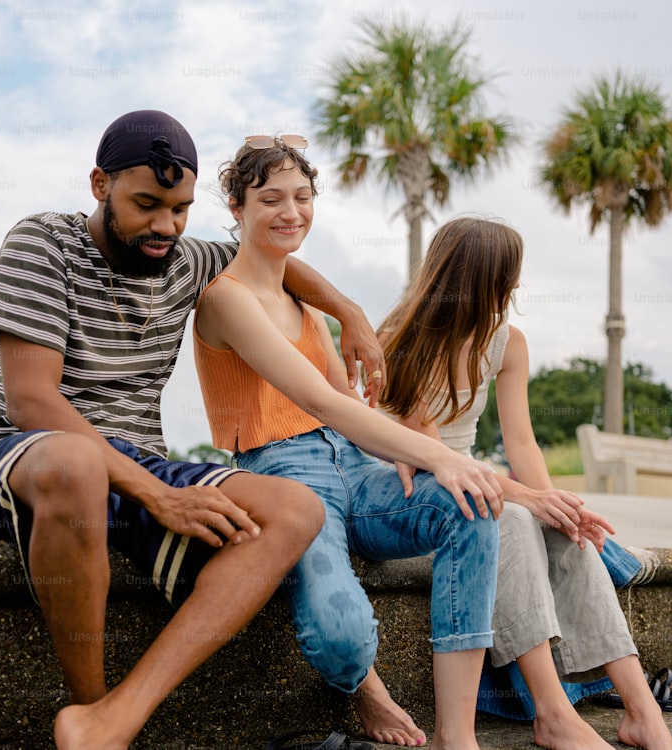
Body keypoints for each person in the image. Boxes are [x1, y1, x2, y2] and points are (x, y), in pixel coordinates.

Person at [0, 110, 388, 750]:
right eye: (147, 205)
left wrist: (349, 311)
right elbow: (31, 401)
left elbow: (275, 263)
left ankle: (112, 721)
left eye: (180, 209)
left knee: (294, 508)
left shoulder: (186, 260)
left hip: (137, 464)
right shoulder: (44, 242)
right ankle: (88, 705)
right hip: (22, 461)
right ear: (100, 185)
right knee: (79, 464)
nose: (165, 227)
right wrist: (160, 496)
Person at [192, 135, 504, 750]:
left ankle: (456, 737)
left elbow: (350, 413)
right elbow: (322, 402)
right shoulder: (225, 300)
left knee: (471, 506)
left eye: (303, 197)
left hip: (354, 467)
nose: (291, 212)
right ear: (236, 207)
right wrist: (437, 454)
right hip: (283, 473)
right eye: (271, 198)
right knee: (339, 633)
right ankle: (369, 690)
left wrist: (424, 455)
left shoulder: (305, 308)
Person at [377, 216, 672, 750]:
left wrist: (556, 504)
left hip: (480, 482)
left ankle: (642, 710)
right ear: (478, 279)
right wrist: (529, 500)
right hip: (418, 490)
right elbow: (431, 455)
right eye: (507, 276)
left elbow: (522, 443)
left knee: (564, 528)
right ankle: (553, 713)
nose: (514, 287)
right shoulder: (401, 337)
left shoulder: (507, 342)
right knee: (511, 515)